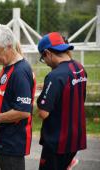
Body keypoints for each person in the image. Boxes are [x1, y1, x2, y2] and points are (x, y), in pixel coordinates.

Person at [0, 25, 36, 170]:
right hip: (5, 140)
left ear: (9, 46)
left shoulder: (19, 72)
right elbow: (8, 99)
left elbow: (23, 112)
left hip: (13, 142)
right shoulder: (9, 67)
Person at [36, 32, 87, 170]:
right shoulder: (79, 68)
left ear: (47, 53)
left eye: (43, 58)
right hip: (75, 138)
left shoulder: (55, 75)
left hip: (57, 141)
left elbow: (43, 113)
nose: (45, 62)